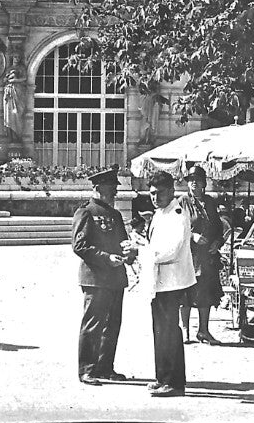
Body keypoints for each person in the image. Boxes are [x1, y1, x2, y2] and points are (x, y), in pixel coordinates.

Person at [71, 166, 137, 386]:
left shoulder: (116, 215)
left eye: (115, 191)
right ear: (98, 189)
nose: (114, 195)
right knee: (93, 325)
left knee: (112, 325)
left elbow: (122, 241)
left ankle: (105, 367)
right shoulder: (86, 212)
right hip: (96, 279)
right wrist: (106, 258)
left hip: (115, 279)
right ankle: (87, 370)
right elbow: (79, 245)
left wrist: (128, 252)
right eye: (110, 191)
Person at [145, 170, 196, 396]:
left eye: (160, 193)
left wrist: (143, 253)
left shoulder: (176, 214)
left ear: (172, 191)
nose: (155, 198)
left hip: (172, 281)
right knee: (160, 330)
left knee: (168, 331)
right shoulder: (160, 213)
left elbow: (172, 251)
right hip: (159, 281)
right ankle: (162, 376)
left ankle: (174, 383)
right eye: (152, 194)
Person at [178, 167, 225, 345]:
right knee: (186, 295)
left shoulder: (210, 202)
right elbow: (176, 227)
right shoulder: (182, 202)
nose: (194, 182)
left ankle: (204, 331)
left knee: (206, 294)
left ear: (204, 183)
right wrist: (192, 236)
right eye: (191, 179)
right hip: (189, 255)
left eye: (198, 179)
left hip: (207, 257)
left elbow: (219, 229)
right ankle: (185, 331)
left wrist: (216, 243)